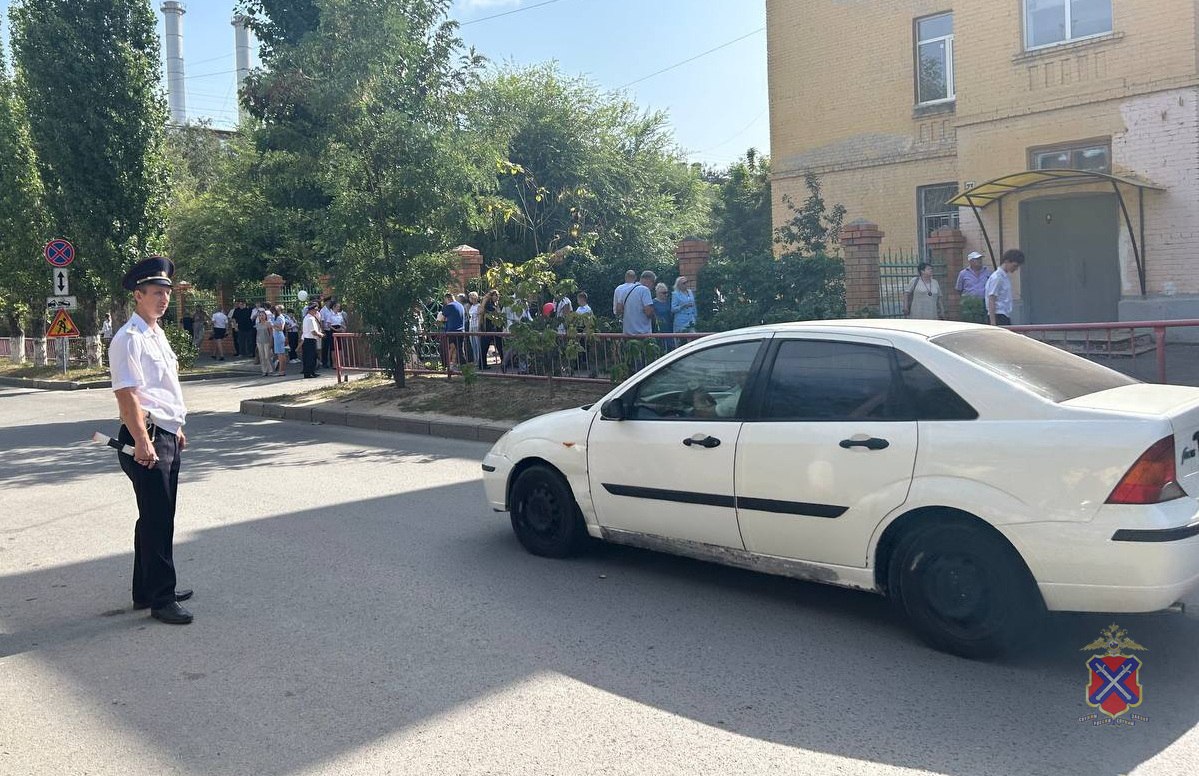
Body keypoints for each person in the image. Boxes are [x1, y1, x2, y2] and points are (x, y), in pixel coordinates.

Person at [108, 256, 193, 625]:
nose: (163, 299)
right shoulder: (127, 339)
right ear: (138, 295)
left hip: (165, 433)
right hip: (146, 437)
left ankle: (146, 590)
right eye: (156, 292)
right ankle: (162, 599)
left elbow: (162, 390)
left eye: (166, 293)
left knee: (156, 515)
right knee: (158, 519)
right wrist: (143, 441)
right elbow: (127, 395)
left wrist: (176, 427)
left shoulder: (156, 334)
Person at [986, 249, 1025, 326]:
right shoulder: (997, 277)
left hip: (1004, 314)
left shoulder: (1004, 277)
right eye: (1014, 266)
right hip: (998, 315)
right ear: (1007, 261)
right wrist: (993, 322)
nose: (1016, 269)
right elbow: (992, 299)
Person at [622, 270, 656, 336]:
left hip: (627, 333)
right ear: (649, 280)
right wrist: (653, 314)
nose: (653, 286)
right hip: (642, 333)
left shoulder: (626, 290)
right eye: (653, 282)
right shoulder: (645, 290)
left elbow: (619, 309)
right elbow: (648, 312)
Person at [301, 302, 322, 377]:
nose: (316, 312)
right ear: (311, 310)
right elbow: (313, 332)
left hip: (307, 340)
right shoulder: (311, 319)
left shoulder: (306, 318)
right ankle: (309, 373)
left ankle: (310, 372)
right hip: (310, 340)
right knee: (311, 357)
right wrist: (321, 335)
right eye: (315, 310)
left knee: (310, 357)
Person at [255, 307, 274, 376]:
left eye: (262, 315)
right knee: (262, 357)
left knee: (267, 356)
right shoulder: (258, 324)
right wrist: (256, 342)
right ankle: (264, 370)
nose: (261, 317)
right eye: (260, 315)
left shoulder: (268, 323)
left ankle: (270, 370)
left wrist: (271, 341)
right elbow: (257, 334)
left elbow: (271, 333)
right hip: (259, 342)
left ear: (265, 316)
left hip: (267, 341)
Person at [272, 310, 288, 377]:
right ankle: (282, 371)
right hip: (277, 336)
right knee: (281, 354)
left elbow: (281, 328)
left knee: (280, 355)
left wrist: (273, 326)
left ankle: (281, 371)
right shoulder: (278, 317)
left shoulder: (279, 317)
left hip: (278, 336)